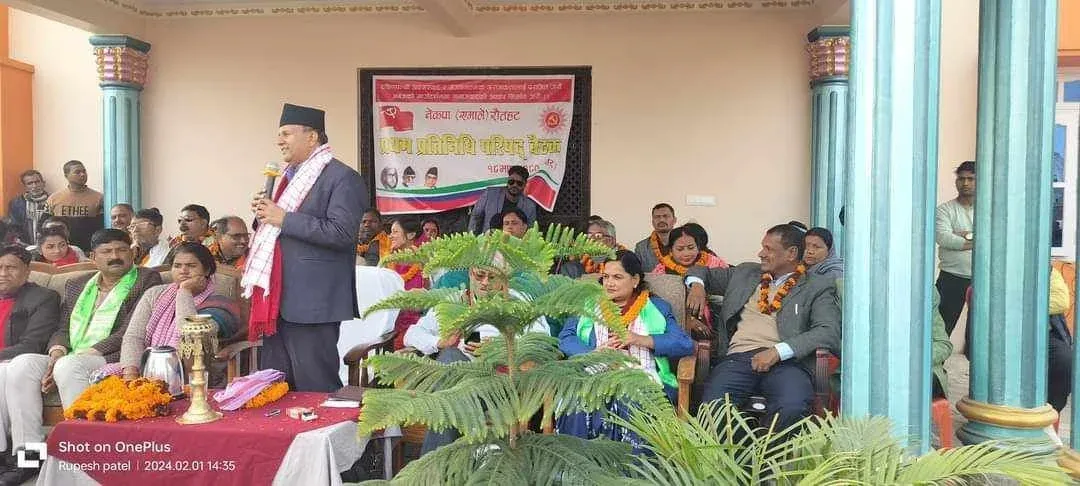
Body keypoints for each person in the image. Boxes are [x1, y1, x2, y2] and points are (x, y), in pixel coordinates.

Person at [2, 229, 161, 484]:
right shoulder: (77, 284)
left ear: (132, 253)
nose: (115, 256)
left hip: (112, 355)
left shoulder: (146, 279)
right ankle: (29, 458)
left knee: (69, 366)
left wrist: (84, 353)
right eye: (106, 251)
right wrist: (56, 352)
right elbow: (63, 328)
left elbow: (132, 330)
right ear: (93, 257)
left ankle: (85, 454)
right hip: (72, 354)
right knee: (22, 364)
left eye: (121, 250)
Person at [247, 103, 367, 392]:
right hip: (277, 299)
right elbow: (276, 229)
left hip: (313, 303)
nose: (279, 141)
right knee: (276, 387)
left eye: (286, 133)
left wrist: (283, 218)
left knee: (315, 386)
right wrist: (263, 214)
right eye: (279, 134)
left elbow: (341, 233)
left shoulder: (342, 178)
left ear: (312, 137)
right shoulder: (288, 177)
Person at [684, 223, 841, 435]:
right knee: (713, 409)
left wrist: (778, 351)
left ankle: (771, 455)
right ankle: (741, 454)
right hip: (738, 359)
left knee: (792, 407)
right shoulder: (745, 273)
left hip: (788, 364)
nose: (761, 254)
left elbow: (828, 330)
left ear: (791, 253)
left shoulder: (816, 286)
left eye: (768, 249)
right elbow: (699, 270)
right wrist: (697, 286)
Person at [403, 264, 549, 455]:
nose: (485, 282)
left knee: (448, 401)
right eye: (480, 275)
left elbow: (542, 346)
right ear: (470, 273)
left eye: (492, 277)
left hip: (500, 384)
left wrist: (500, 350)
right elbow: (411, 334)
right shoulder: (454, 302)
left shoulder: (520, 303)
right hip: (456, 378)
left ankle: (432, 464)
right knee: (451, 357)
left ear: (503, 277)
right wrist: (440, 342)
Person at [556, 250, 693, 450]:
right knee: (577, 401)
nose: (609, 283)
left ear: (635, 280)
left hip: (642, 377)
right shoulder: (588, 304)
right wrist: (592, 353)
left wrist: (639, 339)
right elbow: (565, 338)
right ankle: (578, 465)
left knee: (630, 400)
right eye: (606, 277)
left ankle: (631, 468)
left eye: (617, 277)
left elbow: (684, 343)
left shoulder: (656, 307)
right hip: (594, 375)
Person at [99, 242, 240, 379]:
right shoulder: (154, 294)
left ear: (207, 270)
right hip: (146, 369)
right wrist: (131, 373)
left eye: (191, 266)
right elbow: (134, 336)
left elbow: (189, 336)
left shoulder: (220, 305)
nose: (183, 271)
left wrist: (185, 292)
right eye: (177, 266)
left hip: (193, 375)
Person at [0, 245, 61, 481]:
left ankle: (30, 458)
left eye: (11, 268)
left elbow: (33, 344)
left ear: (27, 271)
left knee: (12, 369)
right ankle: (3, 456)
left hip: (30, 359)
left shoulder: (43, 297)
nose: (3, 273)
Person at [935, 161, 975, 352]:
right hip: (951, 278)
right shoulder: (945, 210)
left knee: (979, 335)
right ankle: (935, 369)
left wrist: (964, 235)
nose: (965, 183)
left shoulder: (990, 210)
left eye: (971, 179)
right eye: (961, 179)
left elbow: (997, 237)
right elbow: (944, 238)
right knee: (940, 331)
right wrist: (978, 239)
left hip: (983, 281)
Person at [386, 218, 427, 349]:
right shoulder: (387, 261)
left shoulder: (425, 260)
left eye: (395, 232)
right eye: (391, 232)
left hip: (417, 327)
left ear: (411, 235)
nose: (390, 236)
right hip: (389, 324)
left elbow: (430, 295)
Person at [45, 160, 104, 251]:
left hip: (88, 249)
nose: (82, 174)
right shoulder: (54, 198)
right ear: (66, 175)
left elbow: (101, 227)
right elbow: (44, 226)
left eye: (84, 171)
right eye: (77, 172)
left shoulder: (98, 198)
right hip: (60, 250)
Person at [468, 165, 538, 234]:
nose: (514, 185)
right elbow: (476, 217)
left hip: (514, 240)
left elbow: (530, 231)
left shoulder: (530, 206)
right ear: (507, 181)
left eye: (519, 183)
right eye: (511, 182)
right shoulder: (490, 194)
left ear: (525, 184)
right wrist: (473, 236)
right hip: (488, 239)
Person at [6, 170, 49, 245]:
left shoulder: (52, 201)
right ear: (25, 186)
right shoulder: (16, 203)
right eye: (30, 183)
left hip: (48, 244)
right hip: (25, 245)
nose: (34, 186)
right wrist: (21, 242)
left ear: (43, 183)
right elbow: (14, 226)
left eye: (37, 182)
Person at [634, 203, 677, 272]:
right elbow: (637, 273)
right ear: (652, 222)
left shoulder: (685, 245)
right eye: (657, 217)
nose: (661, 220)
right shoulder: (641, 248)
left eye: (665, 216)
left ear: (674, 220)